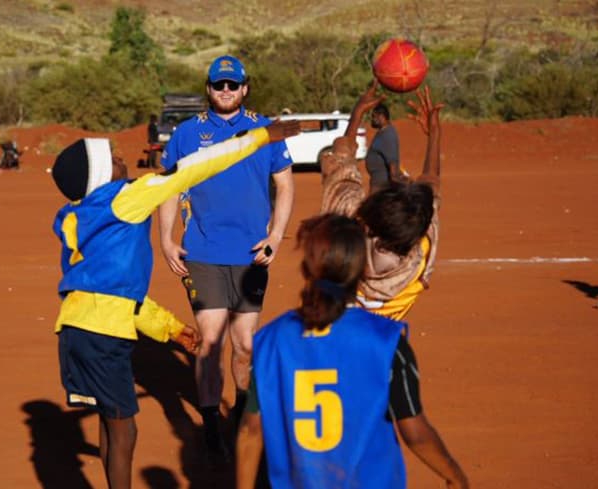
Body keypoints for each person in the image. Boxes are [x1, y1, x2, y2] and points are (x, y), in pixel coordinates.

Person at [51, 120, 300, 489]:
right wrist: (262, 136)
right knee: (124, 431)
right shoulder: (125, 198)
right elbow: (193, 168)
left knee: (109, 420)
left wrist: (171, 330)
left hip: (74, 329)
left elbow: (113, 292)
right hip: (104, 336)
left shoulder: (77, 214)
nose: (123, 160)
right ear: (103, 174)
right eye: (115, 159)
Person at [236, 213, 469, 489]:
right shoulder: (386, 340)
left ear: (306, 269)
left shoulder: (270, 340)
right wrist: (455, 476)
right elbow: (414, 432)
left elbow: (251, 432)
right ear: (361, 270)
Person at [157, 54, 295, 463]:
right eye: (219, 85)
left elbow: (284, 187)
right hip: (202, 252)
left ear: (245, 88)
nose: (226, 92)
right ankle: (210, 426)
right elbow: (169, 187)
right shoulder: (186, 134)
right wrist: (166, 239)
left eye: (233, 85)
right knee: (210, 339)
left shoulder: (264, 130)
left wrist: (275, 236)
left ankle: (239, 414)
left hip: (253, 255)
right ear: (209, 89)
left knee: (245, 346)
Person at [320, 81, 444, 321]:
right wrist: (435, 133)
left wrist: (357, 114)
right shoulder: (421, 255)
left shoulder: (344, 228)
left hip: (331, 349)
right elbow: (432, 183)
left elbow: (340, 162)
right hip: (382, 353)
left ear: (366, 217)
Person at [364, 103, 407, 192]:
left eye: (374, 117)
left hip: (382, 187)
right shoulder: (382, 133)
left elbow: (393, 168)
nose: (372, 120)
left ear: (381, 117)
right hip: (377, 183)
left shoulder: (388, 135)